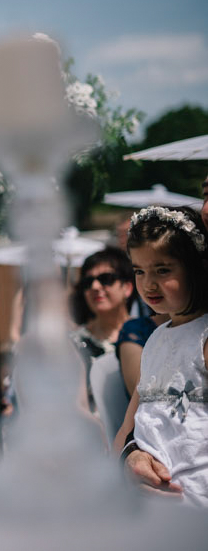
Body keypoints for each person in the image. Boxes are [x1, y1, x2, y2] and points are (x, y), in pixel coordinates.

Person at [114, 206, 208, 507]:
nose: (148, 284)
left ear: (196, 268)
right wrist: (125, 460)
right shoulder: (155, 339)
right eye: (139, 271)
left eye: (163, 270)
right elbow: (129, 424)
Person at [68, 247, 135, 411]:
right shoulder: (72, 344)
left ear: (127, 287)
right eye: (88, 282)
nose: (96, 286)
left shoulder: (150, 336)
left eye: (106, 279)